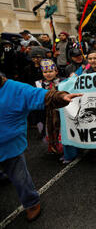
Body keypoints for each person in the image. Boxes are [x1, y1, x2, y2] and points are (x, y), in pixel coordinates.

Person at [0, 72, 81, 221]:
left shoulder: (15, 88)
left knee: (20, 177)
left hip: (9, 146)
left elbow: (41, 95)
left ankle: (31, 203)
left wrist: (60, 97)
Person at [35, 59, 63, 156]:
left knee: (60, 129)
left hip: (60, 112)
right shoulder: (38, 84)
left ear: (56, 71)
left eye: (51, 71)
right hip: (44, 113)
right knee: (46, 129)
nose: (48, 74)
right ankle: (51, 147)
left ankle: (61, 148)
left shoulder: (63, 82)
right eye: (45, 72)